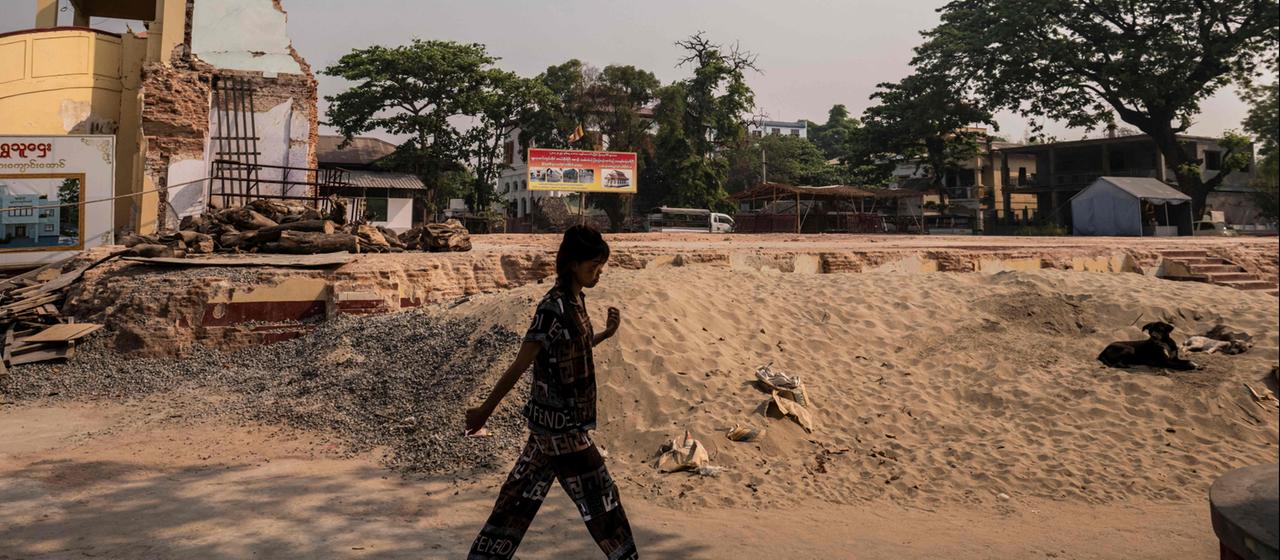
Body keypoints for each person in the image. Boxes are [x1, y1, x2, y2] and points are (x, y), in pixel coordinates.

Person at [465, 225, 638, 560]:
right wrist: (485, 411)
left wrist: (606, 333)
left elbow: (577, 348)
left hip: (550, 429)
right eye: (592, 267)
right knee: (603, 501)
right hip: (563, 431)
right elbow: (519, 365)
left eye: (600, 266)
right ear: (572, 264)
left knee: (515, 500)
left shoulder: (575, 302)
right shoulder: (551, 309)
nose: (598, 273)